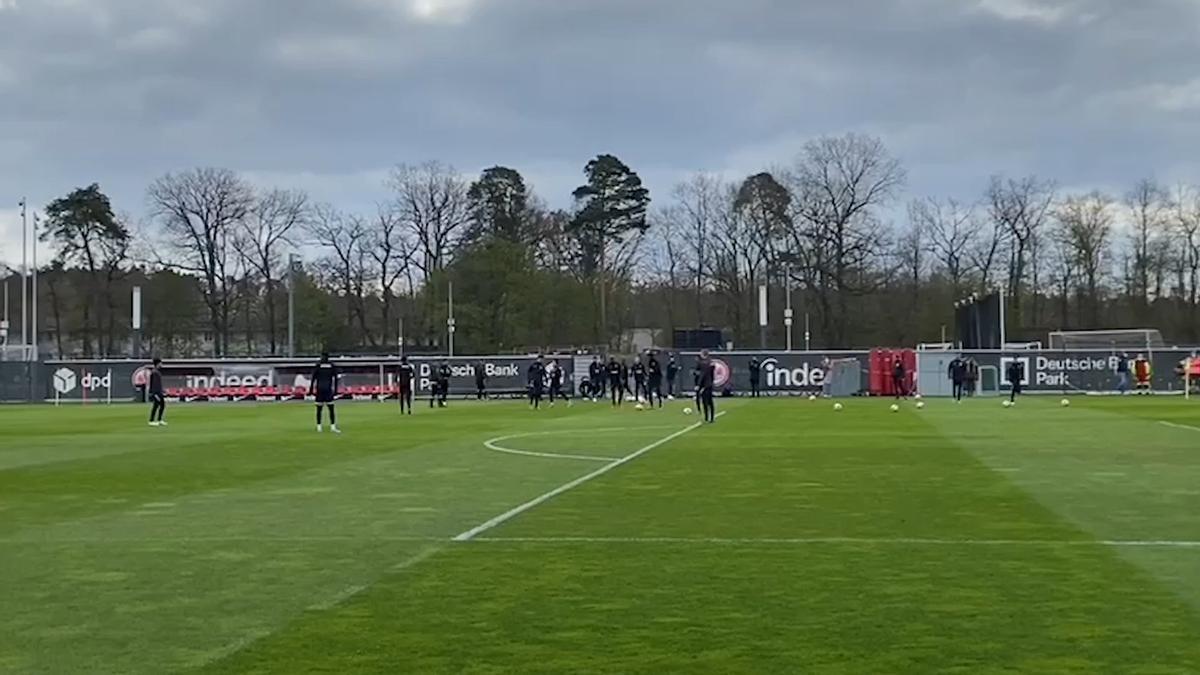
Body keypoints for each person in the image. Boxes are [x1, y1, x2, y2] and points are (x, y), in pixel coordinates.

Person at [311, 351, 341, 433]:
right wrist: (335, 390)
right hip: (327, 389)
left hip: (320, 389)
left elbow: (313, 377)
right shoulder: (331, 365)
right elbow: (336, 378)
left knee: (319, 409)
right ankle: (332, 427)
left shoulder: (318, 365)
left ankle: (319, 426)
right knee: (330, 409)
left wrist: (311, 390)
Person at [697, 350, 717, 423]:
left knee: (705, 402)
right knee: (710, 401)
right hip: (709, 384)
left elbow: (701, 375)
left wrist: (699, 385)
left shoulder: (702, 363)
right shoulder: (711, 363)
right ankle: (711, 417)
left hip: (704, 384)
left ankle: (706, 417)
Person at [147, 357, 167, 427]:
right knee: (156, 405)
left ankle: (159, 420)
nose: (161, 364)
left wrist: (162, 390)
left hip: (159, 392)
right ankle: (151, 420)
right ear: (158, 364)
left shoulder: (156, 372)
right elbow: (155, 384)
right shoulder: (155, 372)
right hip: (156, 392)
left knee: (162, 405)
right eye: (161, 363)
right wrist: (155, 393)